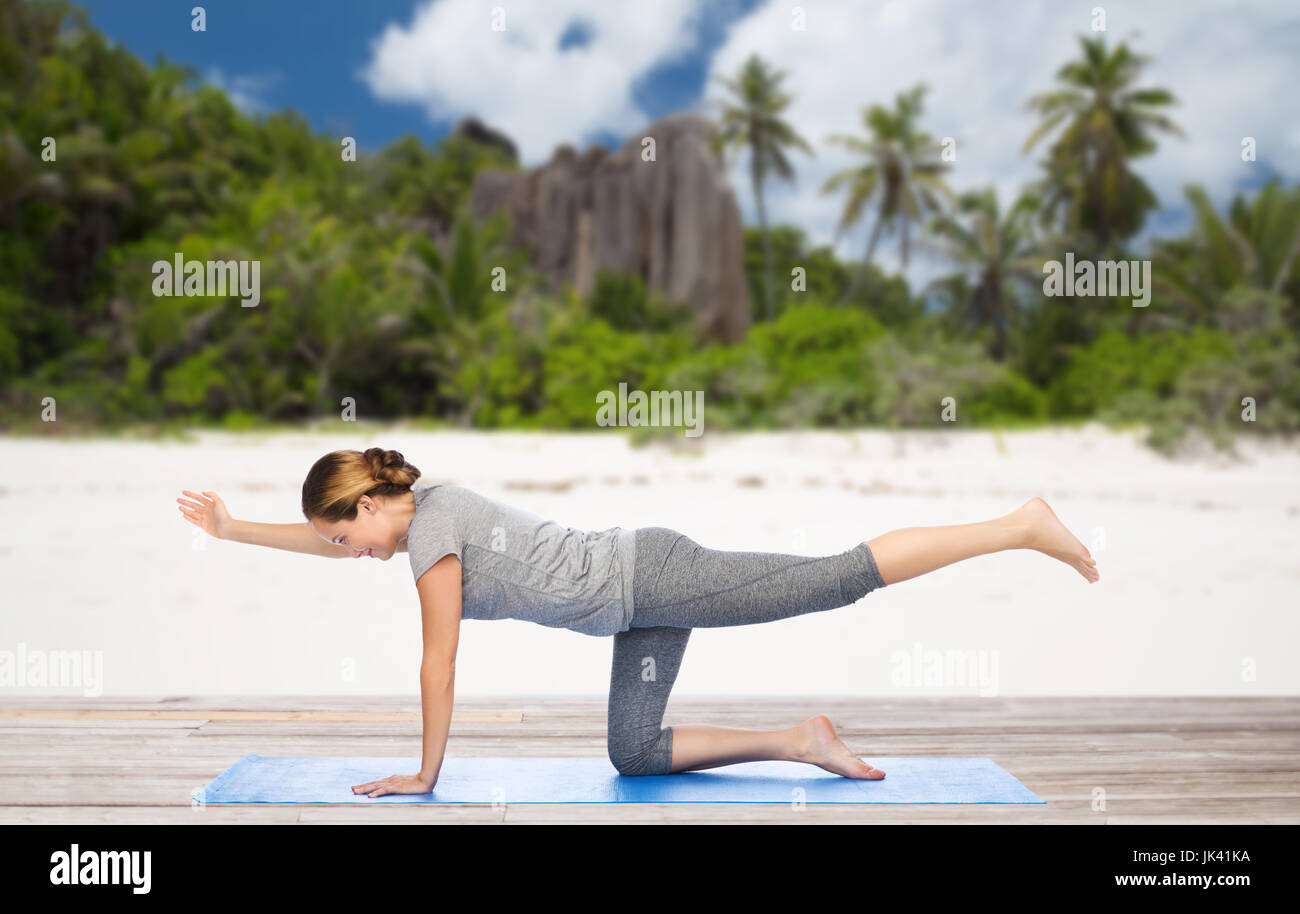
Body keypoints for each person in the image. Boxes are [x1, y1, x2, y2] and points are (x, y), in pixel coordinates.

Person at [176, 446, 1097, 797]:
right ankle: (803, 738)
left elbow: (437, 665)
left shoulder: (434, 539)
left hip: (654, 577)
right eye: (343, 548)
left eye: (352, 538)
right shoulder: (421, 516)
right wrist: (231, 529)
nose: (353, 555)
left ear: (377, 501)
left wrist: (425, 774)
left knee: (833, 580)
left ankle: (1019, 525)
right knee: (634, 752)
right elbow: (320, 542)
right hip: (632, 612)